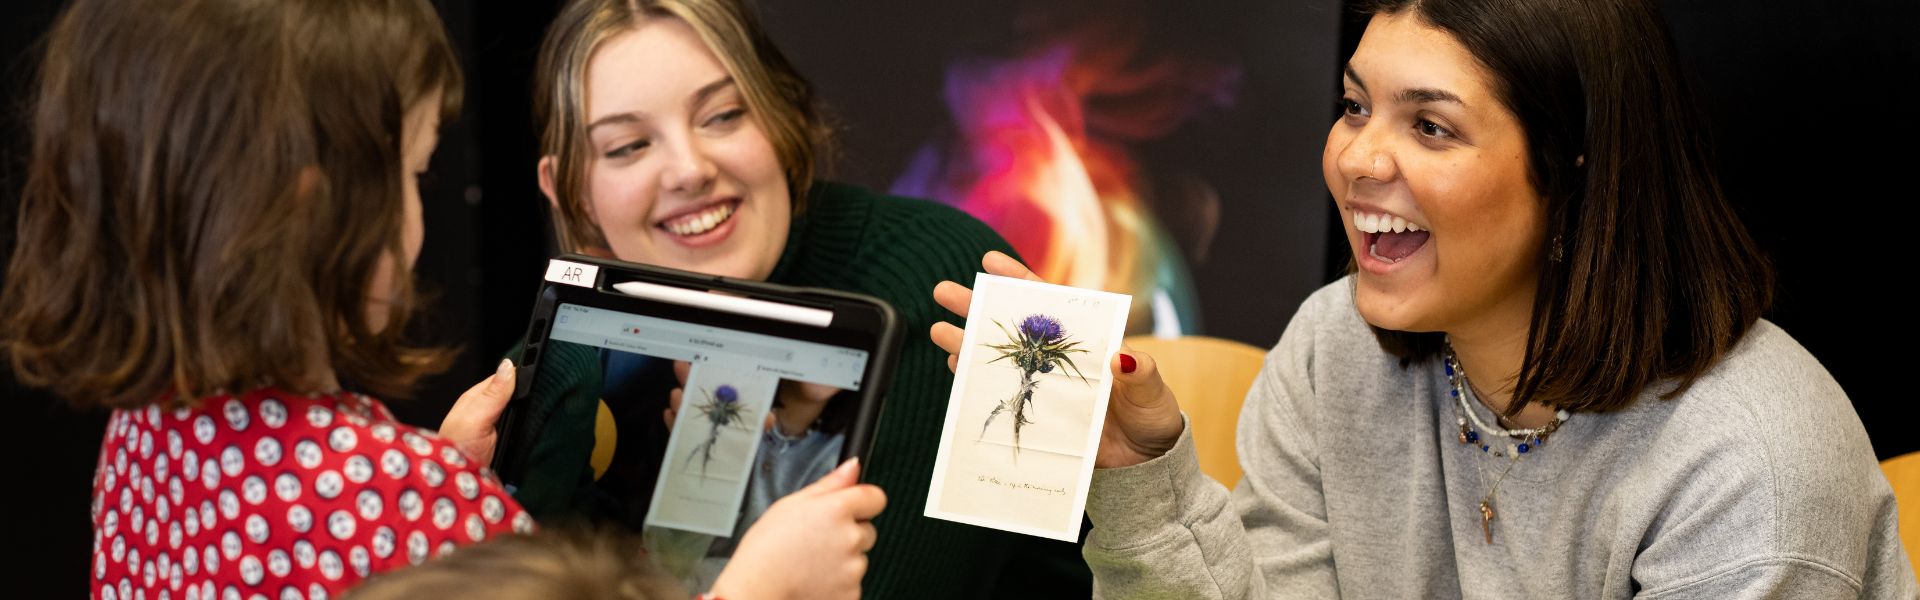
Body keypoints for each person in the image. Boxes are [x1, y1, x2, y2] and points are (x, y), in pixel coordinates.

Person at [931, 0, 1918, 597]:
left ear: (1577, 178)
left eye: (1431, 127)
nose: (1357, 158)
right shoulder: (1334, 347)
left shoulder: (1751, 467)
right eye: (1355, 105)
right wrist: (1142, 476)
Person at [0, 0, 878, 597]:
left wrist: (425, 493)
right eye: (416, 171)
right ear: (317, 204)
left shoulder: (146, 429)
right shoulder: (400, 502)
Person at [513, 0, 1093, 596]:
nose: (688, 170)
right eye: (628, 146)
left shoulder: (945, 277)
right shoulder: (577, 334)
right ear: (568, 191)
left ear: (784, 112)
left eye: (724, 115)